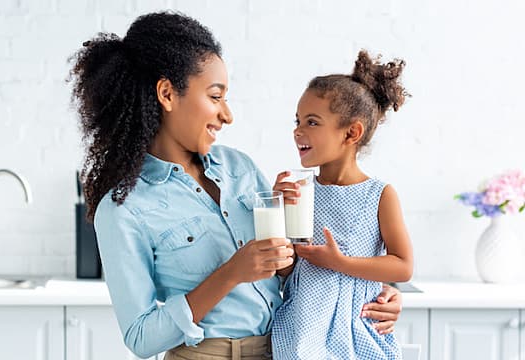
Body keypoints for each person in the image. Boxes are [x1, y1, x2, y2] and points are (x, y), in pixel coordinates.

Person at [69, 11, 403, 360]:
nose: (227, 115)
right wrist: (230, 274)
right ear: (167, 94)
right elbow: (140, 338)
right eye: (216, 97)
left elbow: (290, 273)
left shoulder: (238, 167)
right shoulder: (124, 207)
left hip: (282, 349)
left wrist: (373, 293)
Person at [271, 50, 413, 359]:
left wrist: (340, 262)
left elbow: (402, 266)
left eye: (312, 122)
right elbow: (286, 270)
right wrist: (274, 213)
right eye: (297, 121)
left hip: (356, 330)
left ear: (351, 132)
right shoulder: (300, 191)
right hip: (299, 329)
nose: (298, 130)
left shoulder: (380, 194)